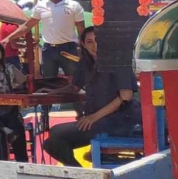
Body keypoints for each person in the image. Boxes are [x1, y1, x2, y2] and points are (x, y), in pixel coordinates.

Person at [42, 25, 141, 165]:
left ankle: (78, 174)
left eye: (99, 41)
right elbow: (74, 87)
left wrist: (93, 117)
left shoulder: (118, 62)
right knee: (52, 139)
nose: (95, 46)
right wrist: (51, 92)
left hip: (118, 120)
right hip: (96, 120)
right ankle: (78, 173)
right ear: (83, 44)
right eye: (90, 42)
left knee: (55, 137)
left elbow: (125, 97)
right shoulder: (86, 63)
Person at [21, 0, 86, 81]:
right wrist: (9, 38)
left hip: (69, 48)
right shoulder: (40, 6)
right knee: (49, 81)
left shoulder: (73, 5)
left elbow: (81, 28)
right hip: (49, 49)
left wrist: (84, 48)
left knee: (75, 80)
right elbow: (28, 25)